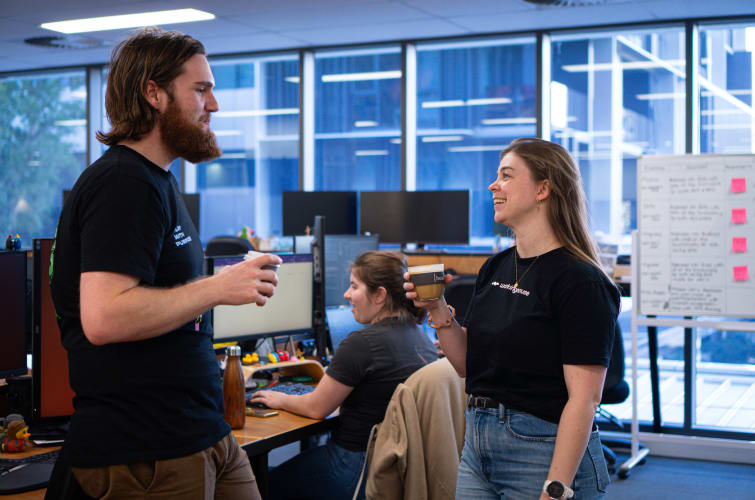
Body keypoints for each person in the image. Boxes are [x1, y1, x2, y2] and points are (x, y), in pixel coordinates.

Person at [50, 28, 281, 500]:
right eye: (201, 89)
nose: (213, 105)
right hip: (147, 450)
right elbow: (103, 316)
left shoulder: (158, 182)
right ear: (153, 93)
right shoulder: (121, 183)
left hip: (199, 429)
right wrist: (218, 287)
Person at [405, 138, 619, 500]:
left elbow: (584, 400)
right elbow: (467, 366)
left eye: (506, 175)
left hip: (542, 450)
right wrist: (438, 309)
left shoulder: (581, 281)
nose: (493, 185)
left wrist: (557, 488)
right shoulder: (496, 266)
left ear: (543, 189)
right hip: (477, 443)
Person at [251, 251, 437, 500]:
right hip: (392, 467)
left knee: (255, 485)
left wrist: (277, 398)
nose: (347, 295)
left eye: (353, 286)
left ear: (379, 295)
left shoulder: (362, 344)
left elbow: (316, 408)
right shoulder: (420, 336)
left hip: (353, 468)